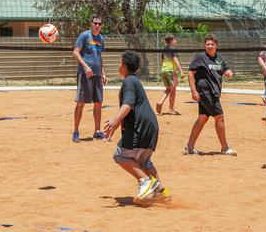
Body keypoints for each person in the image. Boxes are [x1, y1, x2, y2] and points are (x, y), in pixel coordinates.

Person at [104, 50, 168, 202]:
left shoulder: (129, 81)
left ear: (125, 66)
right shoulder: (134, 81)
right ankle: (160, 192)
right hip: (151, 126)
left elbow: (128, 104)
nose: (118, 66)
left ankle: (145, 181)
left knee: (119, 155)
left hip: (140, 127)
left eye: (120, 63)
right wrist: (116, 124)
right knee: (144, 162)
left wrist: (114, 120)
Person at [184, 34, 237, 156]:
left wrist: (229, 73)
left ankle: (189, 147)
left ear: (216, 45)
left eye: (212, 44)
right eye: (207, 44)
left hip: (215, 92)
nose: (210, 46)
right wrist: (193, 91)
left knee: (202, 118)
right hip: (206, 92)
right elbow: (191, 73)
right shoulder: (201, 57)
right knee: (219, 117)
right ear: (205, 46)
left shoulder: (219, 58)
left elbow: (226, 69)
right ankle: (225, 147)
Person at [72, 15, 108, 142]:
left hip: (97, 75)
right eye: (95, 23)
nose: (97, 26)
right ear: (91, 24)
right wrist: (86, 67)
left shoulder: (101, 39)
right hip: (85, 74)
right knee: (81, 103)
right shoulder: (84, 36)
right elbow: (76, 52)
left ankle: (97, 131)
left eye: (99, 24)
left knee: (98, 103)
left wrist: (103, 73)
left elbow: (99, 57)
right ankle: (76, 131)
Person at [155, 34, 183, 115]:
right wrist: (180, 70)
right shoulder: (172, 48)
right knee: (173, 90)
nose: (176, 41)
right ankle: (171, 109)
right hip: (170, 70)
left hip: (163, 70)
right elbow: (175, 58)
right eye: (175, 40)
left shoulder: (164, 49)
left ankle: (160, 102)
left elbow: (162, 60)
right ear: (171, 41)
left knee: (168, 89)